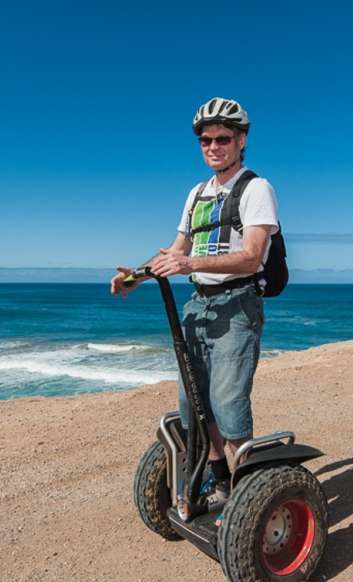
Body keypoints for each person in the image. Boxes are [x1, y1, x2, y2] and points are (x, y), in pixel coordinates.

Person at [110, 97, 278, 507]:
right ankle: (221, 482)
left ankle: (248, 495)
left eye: (223, 138)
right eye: (206, 140)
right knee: (196, 405)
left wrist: (190, 263)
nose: (213, 146)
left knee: (227, 403)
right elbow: (175, 249)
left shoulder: (256, 188)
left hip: (238, 306)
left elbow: (253, 255)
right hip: (197, 305)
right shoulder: (197, 193)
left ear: (241, 141)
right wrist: (134, 276)